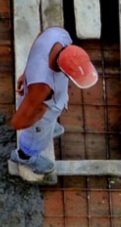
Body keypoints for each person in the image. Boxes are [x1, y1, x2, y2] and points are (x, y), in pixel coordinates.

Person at [9, 26, 99, 176]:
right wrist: (39, 117)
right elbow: (18, 122)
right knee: (34, 140)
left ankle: (48, 126)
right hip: (39, 111)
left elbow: (39, 41)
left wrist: (27, 73)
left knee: (48, 122)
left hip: (47, 101)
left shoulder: (58, 35)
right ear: (63, 70)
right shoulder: (42, 87)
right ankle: (24, 157)